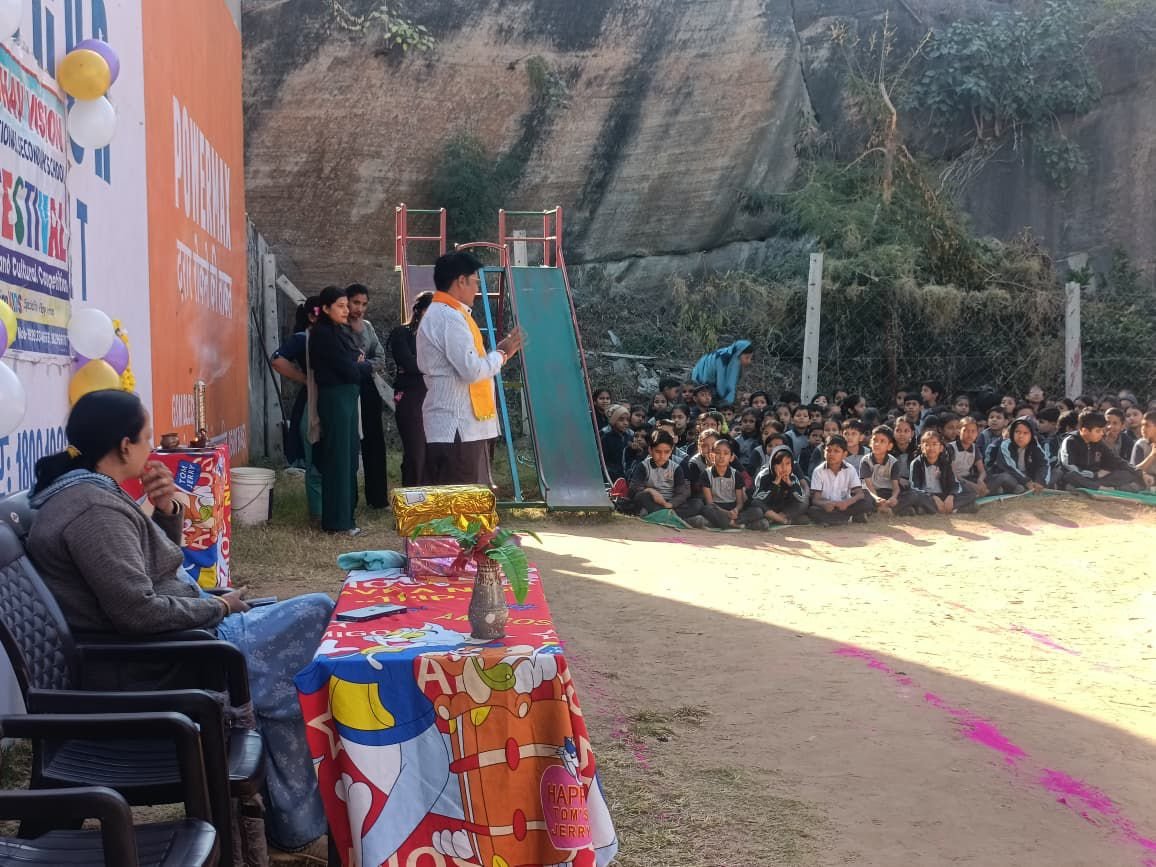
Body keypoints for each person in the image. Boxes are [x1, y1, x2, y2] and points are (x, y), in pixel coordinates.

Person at [25, 389, 336, 862]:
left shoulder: (91, 493)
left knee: (286, 681)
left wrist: (167, 509)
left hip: (182, 644)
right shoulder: (92, 511)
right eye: (147, 438)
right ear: (124, 446)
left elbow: (151, 572)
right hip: (169, 663)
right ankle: (298, 827)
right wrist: (221, 609)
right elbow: (138, 612)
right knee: (315, 616)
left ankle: (296, 828)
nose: (152, 448)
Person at [416, 252, 525, 486]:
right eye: (475, 281)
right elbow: (472, 371)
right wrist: (502, 354)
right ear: (461, 281)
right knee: (460, 500)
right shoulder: (449, 317)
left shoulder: (450, 314)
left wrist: (498, 353)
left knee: (468, 497)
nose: (477, 288)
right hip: (456, 427)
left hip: (464, 427)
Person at [309, 286, 371, 535]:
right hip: (335, 398)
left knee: (349, 455)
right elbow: (351, 368)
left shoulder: (339, 332)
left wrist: (359, 364)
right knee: (338, 457)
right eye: (341, 306)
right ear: (325, 308)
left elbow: (358, 358)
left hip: (347, 396)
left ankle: (347, 516)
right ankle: (337, 521)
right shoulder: (322, 334)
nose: (346, 311)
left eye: (347, 306)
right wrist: (361, 366)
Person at [271, 295, 322, 522]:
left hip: (333, 399)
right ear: (312, 316)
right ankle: (317, 511)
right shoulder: (304, 338)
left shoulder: (337, 335)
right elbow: (277, 360)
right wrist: (304, 378)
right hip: (312, 399)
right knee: (314, 456)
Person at [344, 284, 389, 508]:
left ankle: (378, 499)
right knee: (349, 444)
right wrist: (358, 365)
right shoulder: (338, 327)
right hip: (346, 388)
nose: (359, 309)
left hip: (369, 388)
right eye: (355, 303)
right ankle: (348, 499)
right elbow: (346, 360)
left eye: (364, 304)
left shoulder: (368, 326)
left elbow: (380, 358)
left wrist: (362, 366)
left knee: (375, 442)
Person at [388, 291, 434, 487]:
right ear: (421, 311)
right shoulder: (402, 333)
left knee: (433, 452)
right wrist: (434, 366)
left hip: (434, 398)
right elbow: (408, 363)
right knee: (416, 452)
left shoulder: (439, 336)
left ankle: (430, 497)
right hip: (411, 398)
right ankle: (412, 497)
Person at [1057, 409, 1143, 492]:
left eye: (1102, 430)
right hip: (1078, 476)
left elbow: (1115, 460)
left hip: (1096, 478)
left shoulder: (1098, 442)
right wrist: (1093, 475)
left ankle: (1094, 486)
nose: (1102, 433)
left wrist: (1140, 473)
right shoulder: (1070, 441)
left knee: (1127, 473)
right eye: (1098, 431)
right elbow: (1068, 466)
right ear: (1085, 430)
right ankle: (1100, 487)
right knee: (1070, 475)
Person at [626, 429, 699, 521]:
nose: (662, 456)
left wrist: (669, 504)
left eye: (666, 452)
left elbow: (681, 493)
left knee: (697, 503)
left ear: (671, 451)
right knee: (641, 496)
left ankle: (662, 515)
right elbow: (634, 486)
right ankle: (669, 517)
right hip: (652, 501)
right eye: (658, 451)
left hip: (670, 504)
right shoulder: (643, 466)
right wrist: (651, 491)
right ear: (650, 450)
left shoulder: (676, 468)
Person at [697, 437, 765, 530]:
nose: (721, 456)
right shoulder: (706, 474)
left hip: (732, 507)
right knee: (707, 509)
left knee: (757, 511)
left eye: (726, 453)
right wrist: (726, 513)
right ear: (712, 455)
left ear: (731, 457)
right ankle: (737, 524)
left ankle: (729, 523)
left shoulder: (736, 474)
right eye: (717, 453)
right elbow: (710, 502)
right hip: (717, 508)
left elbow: (740, 503)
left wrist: (735, 510)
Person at [808, 434, 876, 525]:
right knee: (812, 510)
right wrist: (824, 504)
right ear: (824, 452)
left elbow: (859, 494)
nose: (831, 454)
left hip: (845, 506)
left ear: (844, 454)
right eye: (828, 450)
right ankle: (849, 518)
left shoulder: (850, 469)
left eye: (836, 451)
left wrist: (847, 502)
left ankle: (836, 519)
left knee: (866, 502)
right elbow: (816, 499)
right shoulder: (818, 471)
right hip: (828, 507)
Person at [908, 430, 975, 514]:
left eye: (934, 444)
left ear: (941, 448)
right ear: (922, 448)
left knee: (970, 492)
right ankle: (951, 509)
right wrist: (933, 497)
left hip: (943, 495)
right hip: (925, 496)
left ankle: (932, 509)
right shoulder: (916, 463)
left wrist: (951, 496)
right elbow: (914, 487)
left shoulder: (945, 463)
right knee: (914, 495)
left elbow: (954, 483)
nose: (931, 448)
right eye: (927, 445)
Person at [989, 417, 1050, 493]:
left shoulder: (1034, 444)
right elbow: (1009, 467)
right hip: (1011, 476)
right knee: (1006, 478)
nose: (1021, 436)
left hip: (1028, 476)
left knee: (1055, 473)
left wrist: (1040, 481)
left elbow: (1044, 463)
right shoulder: (1006, 444)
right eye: (1018, 432)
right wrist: (1026, 481)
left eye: (1025, 433)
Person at [751, 447, 809, 525]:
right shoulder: (763, 475)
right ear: (773, 464)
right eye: (779, 464)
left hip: (783, 509)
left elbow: (800, 498)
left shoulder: (792, 477)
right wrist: (775, 483)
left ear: (791, 465)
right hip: (768, 507)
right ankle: (782, 520)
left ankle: (776, 518)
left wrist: (790, 485)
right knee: (756, 503)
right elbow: (758, 498)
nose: (784, 468)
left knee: (804, 502)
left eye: (787, 464)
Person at [690, 340, 753, 405]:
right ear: (738, 353)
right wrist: (728, 403)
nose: (749, 361)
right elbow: (722, 385)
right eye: (747, 358)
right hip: (701, 380)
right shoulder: (723, 358)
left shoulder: (733, 358)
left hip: (711, 382)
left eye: (750, 358)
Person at [860, 425, 902, 514]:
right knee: (862, 497)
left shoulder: (893, 462)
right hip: (871, 493)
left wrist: (893, 497)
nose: (877, 444)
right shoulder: (865, 460)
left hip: (887, 492)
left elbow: (896, 487)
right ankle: (892, 509)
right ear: (870, 443)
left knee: (910, 494)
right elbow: (868, 485)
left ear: (889, 446)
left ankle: (881, 508)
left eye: (882, 441)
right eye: (875, 440)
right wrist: (876, 498)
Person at [600, 405, 633, 482]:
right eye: (621, 420)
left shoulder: (629, 437)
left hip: (627, 475)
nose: (625, 423)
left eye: (627, 420)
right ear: (613, 421)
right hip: (612, 476)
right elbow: (604, 461)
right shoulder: (606, 438)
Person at [1130, 410, 1156, 488]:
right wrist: (1152, 455)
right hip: (1144, 481)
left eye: (1147, 425)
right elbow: (1134, 471)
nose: (1143, 429)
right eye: (1142, 425)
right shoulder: (1141, 444)